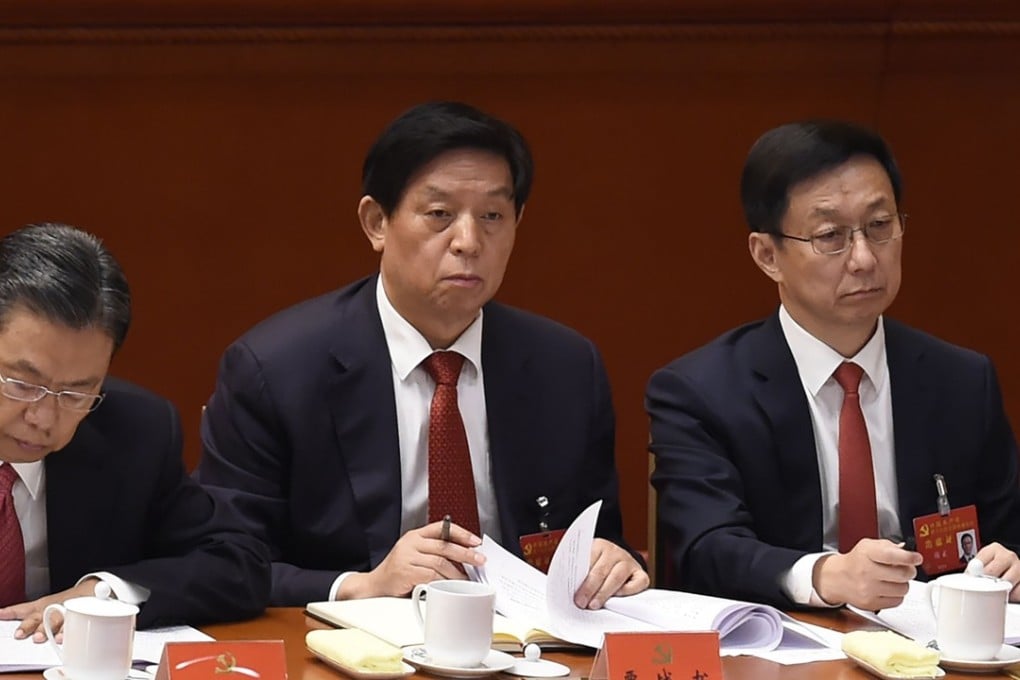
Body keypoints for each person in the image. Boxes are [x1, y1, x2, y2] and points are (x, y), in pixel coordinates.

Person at [196, 101, 648, 607]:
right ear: (377, 222)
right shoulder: (275, 369)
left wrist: (613, 562)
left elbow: (595, 539)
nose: (469, 241)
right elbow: (225, 563)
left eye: (493, 216)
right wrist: (363, 585)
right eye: (439, 215)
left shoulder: (565, 367)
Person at [647, 120, 1020, 611]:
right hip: (783, 646)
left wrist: (1010, 565)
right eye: (830, 236)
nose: (864, 258)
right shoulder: (699, 392)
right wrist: (822, 575)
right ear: (767, 255)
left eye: (880, 226)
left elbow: (1009, 533)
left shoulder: (962, 381)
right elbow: (706, 549)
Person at [0, 223, 270, 642]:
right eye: (23, 384)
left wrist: (105, 594)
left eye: (77, 391)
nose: (44, 418)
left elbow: (237, 564)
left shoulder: (136, 430)